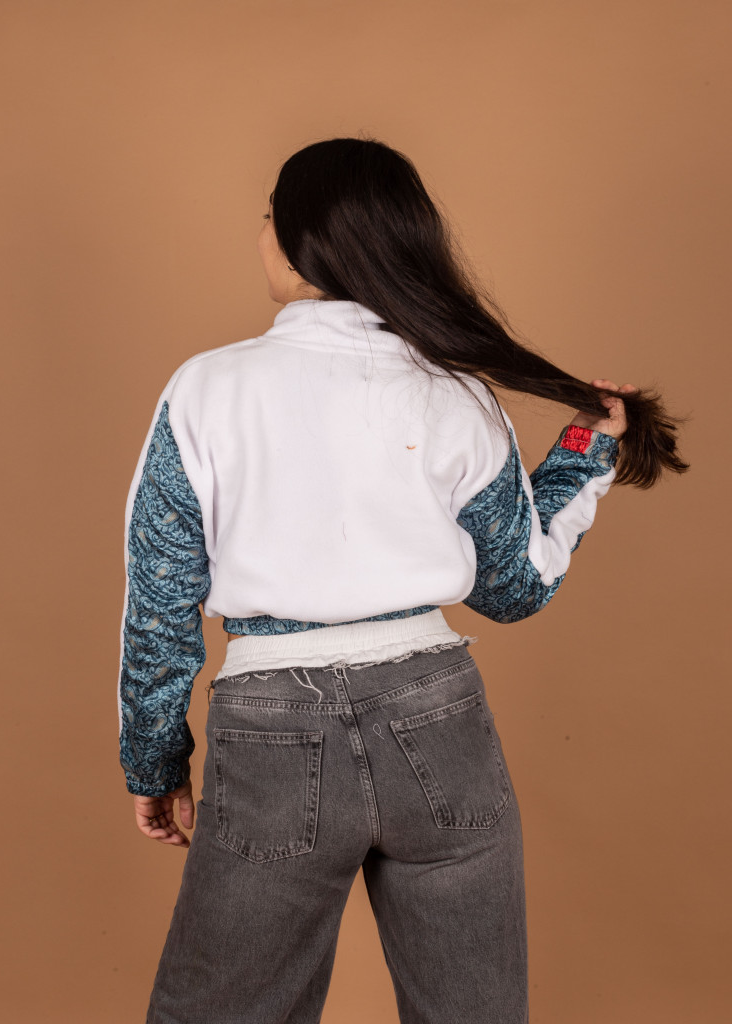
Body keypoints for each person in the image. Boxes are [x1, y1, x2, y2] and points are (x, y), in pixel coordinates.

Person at [117, 137, 688, 1023]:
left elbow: (160, 601)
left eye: (268, 217)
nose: (260, 234)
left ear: (300, 241)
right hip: (439, 715)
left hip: (272, 729)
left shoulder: (205, 390)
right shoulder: (456, 393)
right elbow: (515, 588)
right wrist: (583, 452)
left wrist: (153, 759)